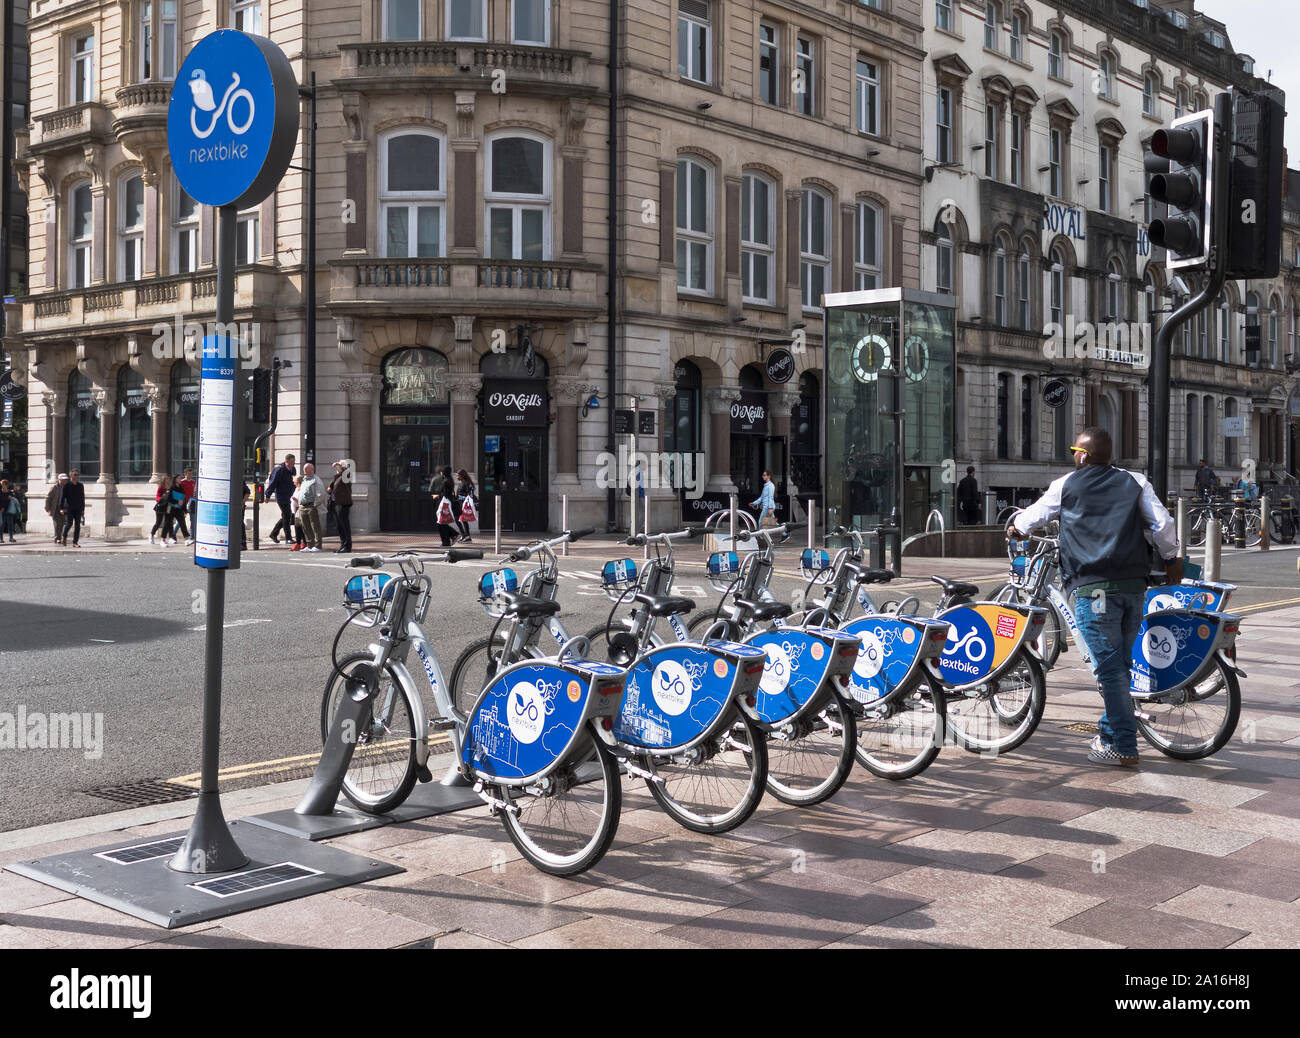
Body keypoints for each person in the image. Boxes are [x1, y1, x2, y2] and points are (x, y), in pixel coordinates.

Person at [1008, 426, 1181, 768]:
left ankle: (1123, 743)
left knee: (1109, 670)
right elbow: (1162, 524)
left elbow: (1034, 516)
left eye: (1075, 451)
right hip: (1133, 584)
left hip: (1094, 587)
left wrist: (1017, 528)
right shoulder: (1135, 481)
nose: (1073, 456)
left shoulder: (1066, 485)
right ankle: (1107, 731)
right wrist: (1173, 557)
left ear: (1083, 455)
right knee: (1120, 663)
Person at [265, 453, 297, 545]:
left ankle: (273, 534)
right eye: (292, 462)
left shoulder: (292, 469)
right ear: (286, 461)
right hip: (281, 496)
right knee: (287, 516)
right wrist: (268, 495)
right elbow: (273, 483)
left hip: (290, 496)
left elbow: (293, 481)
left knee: (286, 516)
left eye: (294, 462)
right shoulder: (279, 470)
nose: (293, 464)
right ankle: (288, 538)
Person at [298, 462, 326, 552]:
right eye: (304, 469)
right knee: (305, 527)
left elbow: (321, 493)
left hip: (311, 506)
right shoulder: (304, 480)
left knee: (315, 526)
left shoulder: (316, 480)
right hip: (303, 506)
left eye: (306, 469)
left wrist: (315, 505)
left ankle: (318, 546)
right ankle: (310, 545)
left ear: (312, 470)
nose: (304, 471)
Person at [57, 470, 87, 547]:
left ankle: (75, 542)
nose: (77, 476)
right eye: (75, 475)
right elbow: (62, 497)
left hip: (78, 508)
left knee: (78, 525)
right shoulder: (66, 485)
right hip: (69, 508)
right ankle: (64, 535)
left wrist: (83, 509)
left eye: (77, 475)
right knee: (69, 524)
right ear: (71, 476)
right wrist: (61, 508)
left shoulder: (80, 485)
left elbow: (82, 498)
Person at [328, 461, 353, 554]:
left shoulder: (347, 475)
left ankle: (347, 546)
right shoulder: (338, 477)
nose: (337, 467)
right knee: (339, 526)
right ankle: (343, 545)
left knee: (344, 525)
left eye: (339, 465)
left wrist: (338, 467)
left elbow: (344, 476)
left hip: (344, 504)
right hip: (336, 503)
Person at [432, 466, 457, 547]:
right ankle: (452, 536)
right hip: (447, 502)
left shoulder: (446, 481)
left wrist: (437, 496)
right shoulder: (450, 480)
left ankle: (447, 541)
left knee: (441, 522)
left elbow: (445, 494)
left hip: (444, 503)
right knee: (442, 522)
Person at [454, 467, 477, 543]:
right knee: (460, 519)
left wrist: (460, 497)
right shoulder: (461, 483)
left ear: (462, 475)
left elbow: (470, 495)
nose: (457, 477)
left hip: (464, 505)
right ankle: (465, 535)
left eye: (458, 475)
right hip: (459, 504)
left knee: (462, 520)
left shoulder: (467, 484)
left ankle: (466, 536)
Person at [45, 474, 68, 542]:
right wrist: (48, 509)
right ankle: (57, 538)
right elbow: (48, 498)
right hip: (56, 508)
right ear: (59, 480)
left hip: (65, 508)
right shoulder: (54, 487)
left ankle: (61, 536)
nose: (65, 481)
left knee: (64, 523)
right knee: (57, 524)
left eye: (65, 479)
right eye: (63, 480)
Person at [166, 475, 188, 544]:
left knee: (182, 523)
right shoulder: (171, 488)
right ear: (175, 479)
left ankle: (186, 539)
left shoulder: (181, 488)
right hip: (170, 507)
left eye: (180, 478)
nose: (180, 479)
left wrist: (185, 510)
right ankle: (171, 537)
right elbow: (168, 498)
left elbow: (183, 499)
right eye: (179, 478)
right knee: (169, 522)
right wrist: (177, 501)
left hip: (179, 508)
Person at [149, 475, 172, 545]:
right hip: (160, 507)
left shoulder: (170, 488)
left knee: (167, 522)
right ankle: (151, 535)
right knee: (158, 522)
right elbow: (157, 498)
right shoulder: (160, 487)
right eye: (166, 479)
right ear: (163, 480)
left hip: (168, 507)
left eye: (168, 479)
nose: (167, 480)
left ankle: (165, 538)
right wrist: (163, 497)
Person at [180, 468, 197, 546]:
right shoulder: (182, 482)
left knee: (193, 520)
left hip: (192, 503)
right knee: (180, 521)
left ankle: (192, 537)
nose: (190, 475)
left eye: (191, 473)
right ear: (185, 474)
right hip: (184, 503)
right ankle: (173, 534)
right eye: (188, 474)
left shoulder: (194, 482)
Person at [289, 475, 306, 551]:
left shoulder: (302, 489)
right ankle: (298, 543)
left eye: (295, 482)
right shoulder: (297, 489)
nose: (293, 483)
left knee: (302, 527)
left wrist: (296, 500)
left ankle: (304, 542)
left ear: (298, 482)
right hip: (295, 511)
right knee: (297, 527)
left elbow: (303, 499)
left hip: (300, 509)